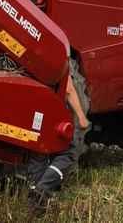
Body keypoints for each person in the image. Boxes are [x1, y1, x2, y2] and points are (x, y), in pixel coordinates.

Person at [27, 67, 90, 214]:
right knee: (69, 154)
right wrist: (81, 117)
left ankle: (35, 202)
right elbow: (68, 88)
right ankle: (42, 191)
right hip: (54, 111)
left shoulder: (35, 54)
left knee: (39, 151)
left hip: (37, 111)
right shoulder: (58, 51)